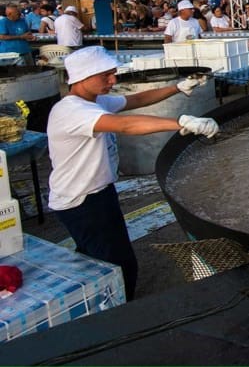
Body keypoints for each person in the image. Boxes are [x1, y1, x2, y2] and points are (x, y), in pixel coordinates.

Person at [47, 46, 217, 300]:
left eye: (113, 74)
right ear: (82, 77)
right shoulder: (73, 112)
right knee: (118, 264)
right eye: (105, 76)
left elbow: (136, 100)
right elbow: (127, 125)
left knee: (95, 255)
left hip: (98, 192)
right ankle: (118, 311)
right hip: (81, 201)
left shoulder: (94, 101)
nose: (113, 81)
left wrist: (177, 87)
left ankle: (94, 301)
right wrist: (182, 123)